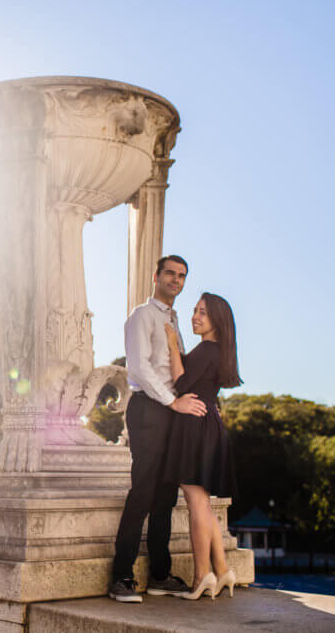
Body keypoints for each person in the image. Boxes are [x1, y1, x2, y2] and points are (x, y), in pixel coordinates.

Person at [109, 255, 208, 602]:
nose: (175, 280)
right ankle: (121, 576)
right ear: (156, 276)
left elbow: (177, 366)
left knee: (167, 496)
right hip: (150, 408)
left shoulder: (175, 320)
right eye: (170, 273)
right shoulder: (142, 316)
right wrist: (172, 402)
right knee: (144, 491)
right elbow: (138, 368)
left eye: (181, 276)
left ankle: (160, 576)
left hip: (173, 411)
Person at [162, 292, 241, 600]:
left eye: (202, 313)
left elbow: (181, 385)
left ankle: (201, 576)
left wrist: (171, 347)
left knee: (196, 501)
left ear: (217, 320)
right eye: (195, 310)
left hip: (195, 426)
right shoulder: (218, 350)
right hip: (207, 424)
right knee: (203, 502)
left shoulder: (208, 349)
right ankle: (221, 571)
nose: (195, 316)